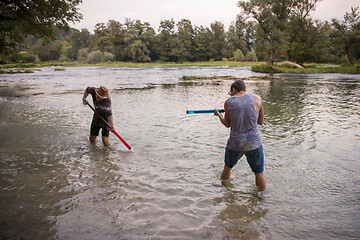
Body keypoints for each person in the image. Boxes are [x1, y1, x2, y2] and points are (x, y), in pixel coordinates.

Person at [214, 80, 266, 190]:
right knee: (259, 173)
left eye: (230, 92)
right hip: (253, 143)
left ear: (234, 89)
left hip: (235, 143)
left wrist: (219, 115)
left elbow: (227, 124)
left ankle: (225, 192)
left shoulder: (228, 102)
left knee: (227, 168)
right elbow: (261, 122)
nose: (231, 95)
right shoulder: (257, 99)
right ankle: (261, 199)